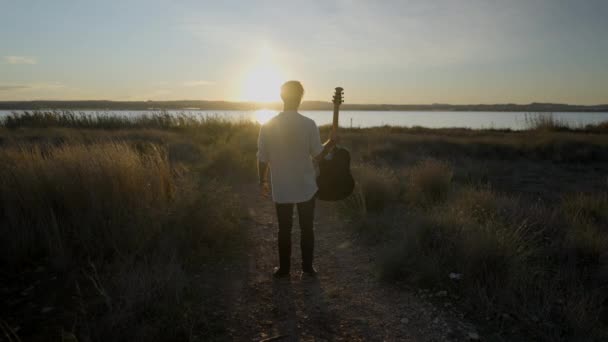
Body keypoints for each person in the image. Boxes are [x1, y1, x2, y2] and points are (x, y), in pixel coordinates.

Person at [257, 80, 338, 278]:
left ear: (281, 96)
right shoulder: (309, 124)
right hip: (306, 185)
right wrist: (330, 143)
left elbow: (262, 158)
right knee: (307, 228)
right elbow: (318, 156)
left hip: (282, 185)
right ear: (300, 98)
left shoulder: (268, 125)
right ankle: (307, 268)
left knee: (284, 229)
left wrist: (263, 181)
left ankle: (284, 270)